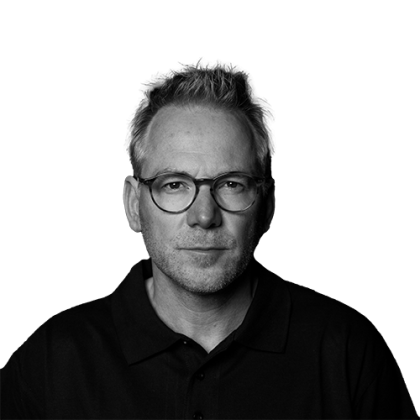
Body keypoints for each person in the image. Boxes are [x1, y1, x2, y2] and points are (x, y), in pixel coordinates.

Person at [1, 58, 417, 419]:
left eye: (231, 184)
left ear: (267, 206)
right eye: (174, 185)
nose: (204, 216)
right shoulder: (49, 359)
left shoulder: (348, 351)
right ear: (133, 205)